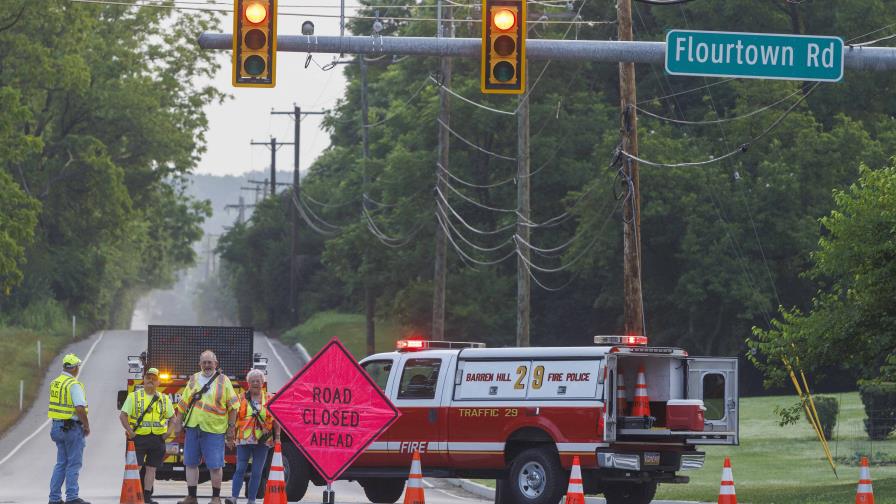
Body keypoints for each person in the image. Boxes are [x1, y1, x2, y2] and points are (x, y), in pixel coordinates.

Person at [172, 350, 239, 504]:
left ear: (216, 364)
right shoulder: (194, 379)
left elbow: (233, 407)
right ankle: (192, 497)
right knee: (190, 463)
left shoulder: (224, 380)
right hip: (193, 427)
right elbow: (183, 403)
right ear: (200, 364)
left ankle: (216, 498)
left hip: (214, 430)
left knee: (215, 465)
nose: (207, 365)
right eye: (204, 362)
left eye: (210, 362)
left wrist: (231, 429)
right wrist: (178, 422)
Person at [119, 367, 175, 504]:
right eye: (148, 377)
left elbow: (173, 417)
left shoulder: (163, 398)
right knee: (135, 468)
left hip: (157, 439)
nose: (151, 380)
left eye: (154, 378)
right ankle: (132, 495)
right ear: (143, 380)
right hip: (139, 438)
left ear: (158, 382)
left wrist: (168, 433)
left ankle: (147, 497)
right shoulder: (134, 396)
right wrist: (130, 432)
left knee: (151, 469)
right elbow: (123, 415)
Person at [227, 369, 280, 504]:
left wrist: (277, 437)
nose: (255, 383)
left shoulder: (269, 398)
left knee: (257, 472)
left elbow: (276, 420)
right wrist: (230, 435)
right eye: (253, 381)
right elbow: (232, 416)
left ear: (263, 383)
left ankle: (251, 500)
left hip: (263, 440)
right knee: (240, 469)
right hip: (244, 439)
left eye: (258, 381)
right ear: (248, 383)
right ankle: (234, 498)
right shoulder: (240, 398)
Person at [48, 353, 91, 504]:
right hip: (72, 428)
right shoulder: (73, 384)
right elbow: (79, 407)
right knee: (74, 463)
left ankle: (54, 498)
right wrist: (86, 425)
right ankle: (72, 497)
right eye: (77, 366)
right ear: (74, 368)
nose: (78, 369)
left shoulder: (56, 383)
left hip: (57, 427)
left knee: (61, 463)